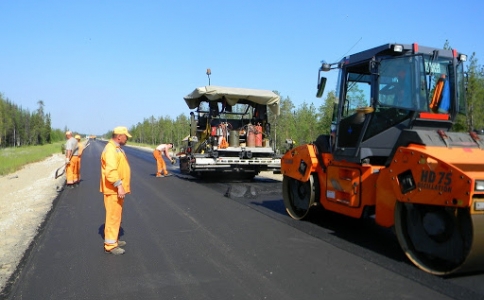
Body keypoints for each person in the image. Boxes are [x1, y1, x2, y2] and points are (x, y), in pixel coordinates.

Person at [100, 126, 132, 255]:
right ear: (119, 136)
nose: (127, 139)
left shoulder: (117, 148)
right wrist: (119, 185)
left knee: (117, 215)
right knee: (113, 216)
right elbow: (111, 171)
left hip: (115, 189)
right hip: (113, 189)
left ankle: (114, 239)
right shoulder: (111, 150)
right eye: (126, 136)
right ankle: (110, 245)